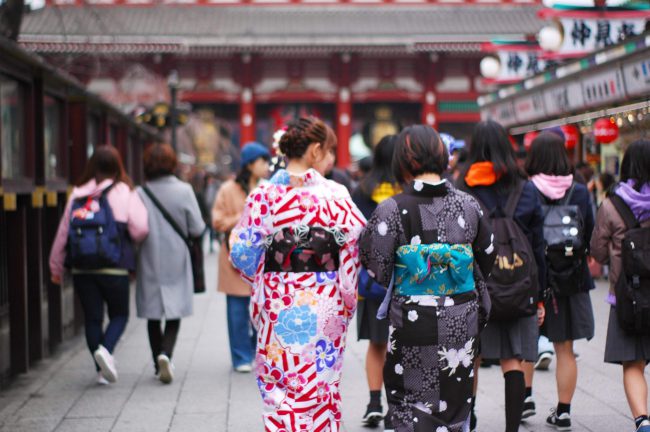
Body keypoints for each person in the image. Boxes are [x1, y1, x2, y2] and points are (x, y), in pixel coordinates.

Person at [229, 117, 366, 431]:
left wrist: (269, 266)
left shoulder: (263, 195)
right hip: (325, 300)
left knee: (280, 380)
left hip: (279, 298)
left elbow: (242, 253)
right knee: (321, 381)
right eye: (328, 150)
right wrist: (346, 291)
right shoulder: (335, 193)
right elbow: (357, 240)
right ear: (316, 149)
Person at [360, 125, 494, 432]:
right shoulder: (468, 205)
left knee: (409, 398)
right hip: (460, 317)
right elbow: (487, 254)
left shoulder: (392, 208)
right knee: (455, 397)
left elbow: (375, 265)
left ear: (403, 161)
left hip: (412, 316)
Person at [459, 120, 546, 432]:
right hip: (518, 285)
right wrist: (541, 295)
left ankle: (469, 421)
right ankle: (512, 428)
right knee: (513, 358)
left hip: (474, 285)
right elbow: (538, 246)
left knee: (472, 356)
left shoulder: (463, 187)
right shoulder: (525, 188)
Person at [49, 145, 149, 385]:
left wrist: (56, 267)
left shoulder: (78, 193)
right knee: (120, 315)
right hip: (115, 266)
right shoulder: (125, 191)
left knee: (93, 318)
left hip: (82, 268)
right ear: (117, 166)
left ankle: (100, 370)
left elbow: (63, 234)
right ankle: (106, 350)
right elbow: (141, 229)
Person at [524, 132, 595, 429]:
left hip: (533, 275)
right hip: (571, 275)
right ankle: (564, 411)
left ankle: (524, 398)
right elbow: (589, 228)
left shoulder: (527, 189)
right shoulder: (579, 191)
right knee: (564, 348)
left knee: (526, 342)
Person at [591, 139, 650, 432]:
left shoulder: (612, 204)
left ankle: (643, 420)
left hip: (628, 297)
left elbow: (598, 252)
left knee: (633, 363)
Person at [136, 143, 206, 384]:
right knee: (174, 307)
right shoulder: (184, 190)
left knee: (153, 312)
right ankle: (166, 353)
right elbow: (197, 227)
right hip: (177, 255)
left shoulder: (140, 193)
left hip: (149, 254)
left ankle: (158, 360)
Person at [351, 134, 400, 428]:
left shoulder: (362, 190)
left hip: (373, 281)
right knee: (403, 344)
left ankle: (373, 402)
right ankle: (396, 403)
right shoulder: (406, 190)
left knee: (377, 344)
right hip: (406, 279)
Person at [212, 142, 270, 373]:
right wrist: (245, 213)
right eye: (262, 161)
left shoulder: (268, 188)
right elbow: (217, 221)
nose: (266, 166)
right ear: (250, 164)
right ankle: (240, 357)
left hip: (262, 258)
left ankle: (259, 353)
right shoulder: (227, 189)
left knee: (263, 307)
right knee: (236, 309)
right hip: (234, 256)